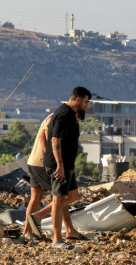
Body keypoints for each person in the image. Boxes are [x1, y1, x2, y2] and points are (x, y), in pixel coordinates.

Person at [23, 111, 86, 240]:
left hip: (34, 161)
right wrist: (50, 159)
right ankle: (64, 228)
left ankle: (27, 232)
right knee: (61, 197)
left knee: (36, 197)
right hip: (42, 163)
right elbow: (43, 135)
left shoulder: (53, 116)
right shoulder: (60, 117)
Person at [44, 86, 91, 250]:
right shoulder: (64, 114)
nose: (86, 106)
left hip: (67, 165)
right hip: (59, 165)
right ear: (78, 99)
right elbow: (55, 140)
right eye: (85, 102)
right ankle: (57, 239)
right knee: (58, 201)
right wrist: (60, 165)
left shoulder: (70, 115)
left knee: (72, 196)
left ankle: (46, 220)